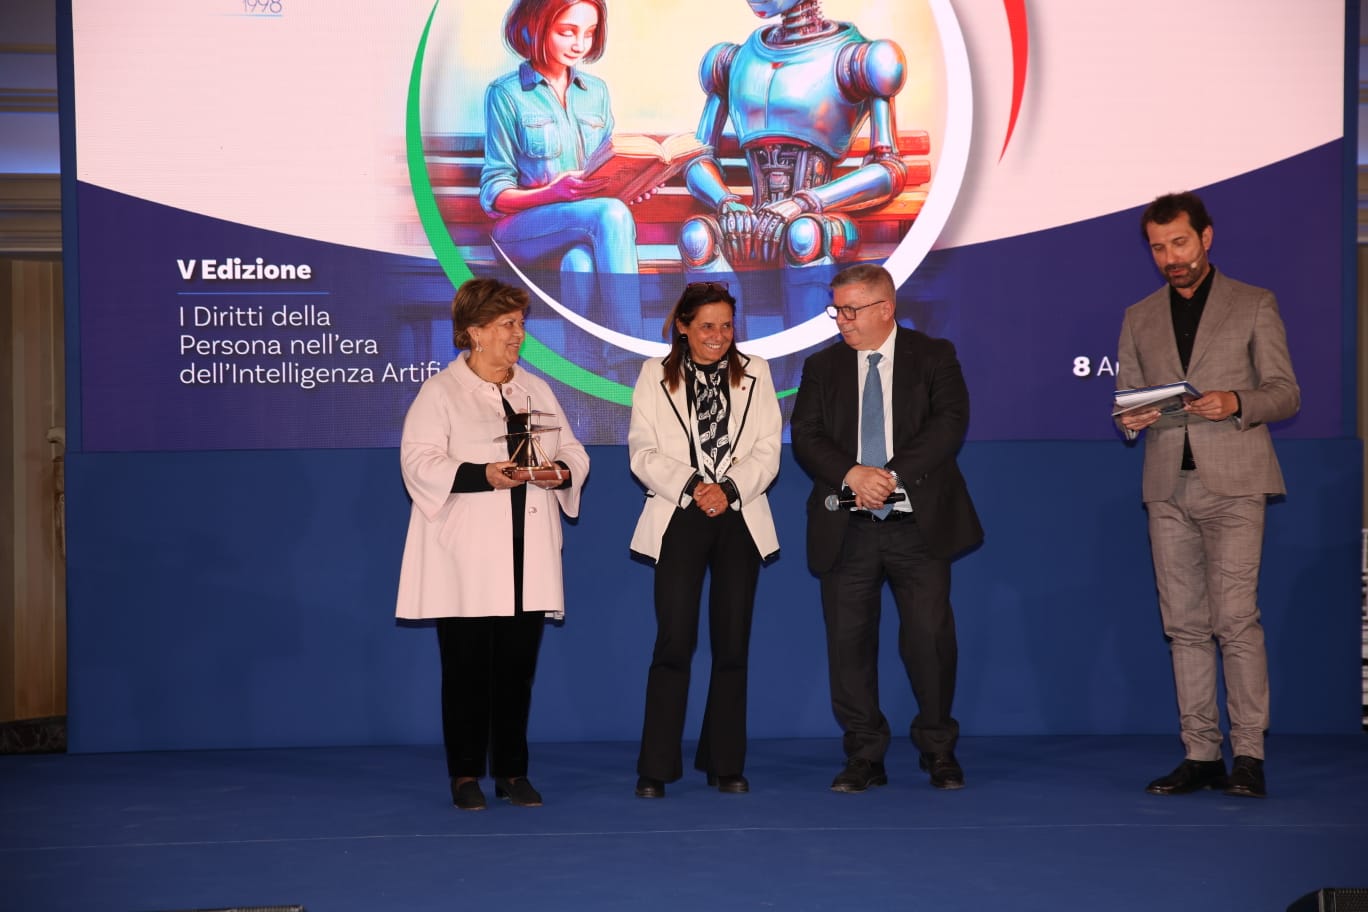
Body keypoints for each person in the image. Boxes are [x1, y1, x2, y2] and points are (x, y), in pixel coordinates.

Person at [1116, 192, 1299, 800]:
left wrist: (1237, 401)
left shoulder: (1253, 303)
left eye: (1180, 243)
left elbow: (1286, 393)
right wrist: (1132, 419)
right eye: (1158, 248)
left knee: (1236, 621)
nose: (1171, 258)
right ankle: (1200, 754)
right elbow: (1128, 399)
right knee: (1184, 626)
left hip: (1237, 483)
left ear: (1206, 237)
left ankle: (1249, 754)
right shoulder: (1139, 316)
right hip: (1167, 487)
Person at [395, 277, 590, 811]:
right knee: (465, 671)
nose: (518, 334)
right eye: (507, 324)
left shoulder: (535, 390)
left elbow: (574, 450)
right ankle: (465, 775)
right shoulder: (440, 393)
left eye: (520, 324)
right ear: (475, 331)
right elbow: (419, 462)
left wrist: (560, 472)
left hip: (528, 550)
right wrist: (484, 474)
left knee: (516, 670)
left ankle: (511, 771)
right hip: (468, 558)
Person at [790, 263, 981, 793]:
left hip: (917, 527)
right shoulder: (822, 366)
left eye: (851, 310)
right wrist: (853, 474)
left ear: (885, 309)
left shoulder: (934, 356)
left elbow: (949, 424)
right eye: (837, 310)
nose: (842, 320)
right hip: (846, 528)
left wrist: (890, 475)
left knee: (929, 640)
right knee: (848, 645)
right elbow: (806, 434)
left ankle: (937, 748)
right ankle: (864, 753)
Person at [627, 281, 782, 798]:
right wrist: (696, 486)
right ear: (683, 326)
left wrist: (729, 489)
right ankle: (656, 767)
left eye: (727, 325)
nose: (719, 335)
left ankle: (725, 761)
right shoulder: (654, 374)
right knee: (674, 641)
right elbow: (642, 452)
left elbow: (768, 449)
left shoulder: (758, 372)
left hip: (739, 515)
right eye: (707, 325)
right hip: (680, 515)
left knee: (732, 643)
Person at [479, 0, 642, 337]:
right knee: (611, 214)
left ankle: (589, 365)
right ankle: (629, 350)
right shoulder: (505, 94)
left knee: (578, 264)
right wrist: (552, 192)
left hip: (584, 226)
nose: (580, 44)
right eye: (567, 32)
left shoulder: (596, 92)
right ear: (536, 26)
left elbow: (604, 166)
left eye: (589, 33)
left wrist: (634, 183)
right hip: (520, 231)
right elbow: (494, 195)